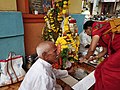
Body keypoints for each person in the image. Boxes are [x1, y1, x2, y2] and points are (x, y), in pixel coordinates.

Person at [80, 20, 120, 90]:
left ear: (89, 28)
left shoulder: (96, 27)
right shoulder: (101, 33)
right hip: (116, 51)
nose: (87, 34)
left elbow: (91, 49)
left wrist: (85, 58)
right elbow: (104, 51)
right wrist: (93, 58)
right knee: (99, 68)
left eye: (86, 31)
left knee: (107, 69)